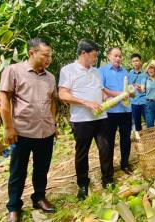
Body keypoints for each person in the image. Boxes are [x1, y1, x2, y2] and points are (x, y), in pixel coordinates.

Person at [0, 38, 57, 222]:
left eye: (50, 56)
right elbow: (4, 101)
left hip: (45, 131)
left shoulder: (50, 77)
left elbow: (52, 102)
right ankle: (14, 207)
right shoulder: (14, 71)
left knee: (41, 169)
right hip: (22, 132)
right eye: (45, 55)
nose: (49, 59)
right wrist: (8, 128)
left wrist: (53, 124)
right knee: (18, 171)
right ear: (32, 53)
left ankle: (39, 197)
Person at [58, 39, 113, 200]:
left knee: (106, 148)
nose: (95, 59)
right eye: (94, 56)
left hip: (101, 117)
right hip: (82, 120)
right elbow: (63, 94)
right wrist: (85, 102)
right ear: (83, 53)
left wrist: (108, 100)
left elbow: (101, 92)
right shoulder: (68, 70)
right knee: (82, 153)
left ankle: (108, 180)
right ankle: (83, 185)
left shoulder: (96, 72)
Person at [98, 48, 133, 176]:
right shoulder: (102, 71)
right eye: (115, 56)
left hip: (125, 111)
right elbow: (102, 89)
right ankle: (109, 169)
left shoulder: (126, 72)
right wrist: (120, 94)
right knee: (108, 141)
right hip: (110, 112)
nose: (118, 58)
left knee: (126, 139)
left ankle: (125, 164)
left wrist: (131, 92)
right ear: (109, 57)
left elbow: (129, 93)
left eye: (120, 56)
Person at [128, 53, 148, 132]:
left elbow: (149, 87)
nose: (135, 63)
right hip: (134, 102)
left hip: (145, 101)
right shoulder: (130, 74)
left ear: (140, 62)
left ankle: (151, 139)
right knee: (137, 123)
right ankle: (140, 140)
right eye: (133, 61)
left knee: (148, 122)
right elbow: (128, 87)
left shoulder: (146, 74)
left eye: (137, 61)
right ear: (131, 63)